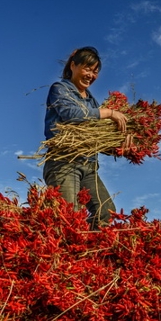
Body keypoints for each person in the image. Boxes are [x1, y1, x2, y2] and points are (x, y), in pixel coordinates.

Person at [43, 46, 131, 228]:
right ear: (73, 66)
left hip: (89, 166)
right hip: (64, 163)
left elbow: (96, 139)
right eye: (87, 68)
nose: (91, 75)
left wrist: (120, 144)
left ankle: (87, 248)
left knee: (106, 213)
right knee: (69, 217)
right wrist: (109, 113)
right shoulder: (60, 88)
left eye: (95, 71)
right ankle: (71, 249)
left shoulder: (92, 101)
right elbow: (71, 113)